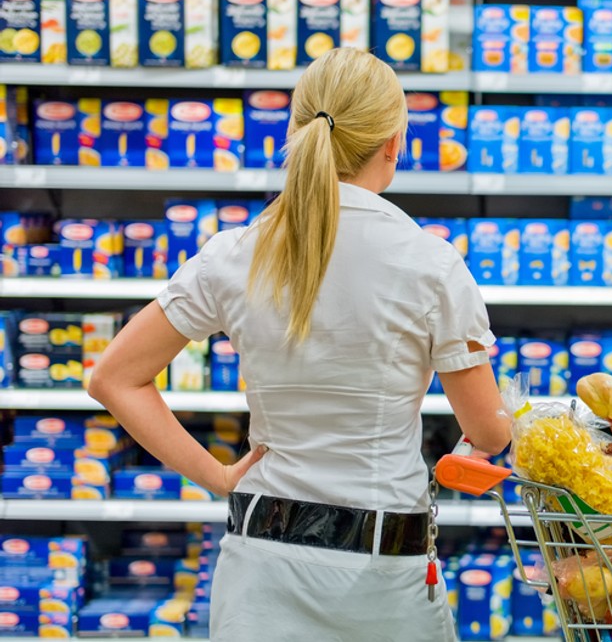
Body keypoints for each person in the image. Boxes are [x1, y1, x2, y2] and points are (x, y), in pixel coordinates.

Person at [89, 48, 511, 641]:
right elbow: (490, 435)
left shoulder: (233, 252)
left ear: (297, 129)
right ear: (393, 143)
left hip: (258, 567)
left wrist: (216, 476)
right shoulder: (431, 264)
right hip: (381, 573)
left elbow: (114, 377)